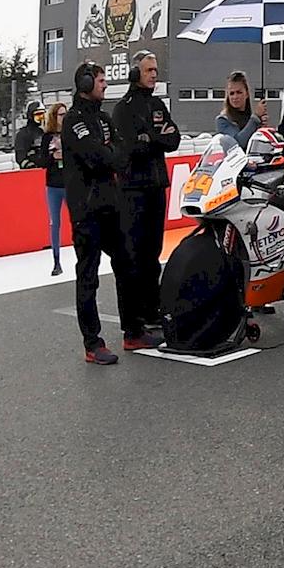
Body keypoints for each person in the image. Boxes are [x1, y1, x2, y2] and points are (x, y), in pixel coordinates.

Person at [63, 63, 139, 364]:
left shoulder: (105, 119)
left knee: (127, 264)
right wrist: (109, 153)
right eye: (100, 80)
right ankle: (93, 344)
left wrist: (110, 153)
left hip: (111, 205)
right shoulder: (72, 122)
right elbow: (97, 157)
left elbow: (122, 155)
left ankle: (132, 332)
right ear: (84, 82)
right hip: (86, 211)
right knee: (88, 278)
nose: (105, 84)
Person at [112, 49, 179, 348]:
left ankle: (154, 311)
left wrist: (150, 137)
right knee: (136, 254)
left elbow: (173, 139)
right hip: (132, 190)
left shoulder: (157, 103)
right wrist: (153, 138)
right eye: (150, 70)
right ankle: (137, 317)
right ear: (135, 72)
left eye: (155, 69)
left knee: (153, 254)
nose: (155, 74)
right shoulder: (123, 108)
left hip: (155, 186)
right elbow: (129, 148)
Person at [40, 103, 68, 276]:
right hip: (53, 185)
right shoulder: (46, 137)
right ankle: (56, 261)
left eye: (65, 114)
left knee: (78, 221)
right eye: (60, 115)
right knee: (55, 223)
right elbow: (42, 160)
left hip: (70, 183)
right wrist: (53, 156)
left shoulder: (71, 134)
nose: (63, 118)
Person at [216, 71, 262, 142]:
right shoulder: (223, 120)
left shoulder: (251, 118)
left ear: (246, 94)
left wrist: (261, 125)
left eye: (239, 92)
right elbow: (237, 143)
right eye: (231, 93)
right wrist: (255, 118)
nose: (235, 97)